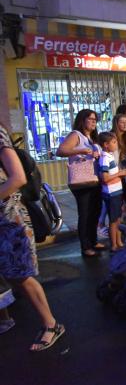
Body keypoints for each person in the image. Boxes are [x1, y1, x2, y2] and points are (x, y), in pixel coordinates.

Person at [1, 123, 65, 351]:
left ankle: (51, 324)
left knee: (21, 274)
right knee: (12, 274)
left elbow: (17, 178)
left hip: (9, 219)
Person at [57, 109, 104, 257]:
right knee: (85, 214)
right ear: (82, 120)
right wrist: (83, 150)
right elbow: (61, 150)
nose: (93, 122)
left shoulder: (92, 137)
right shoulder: (76, 135)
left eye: (95, 120)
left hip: (94, 179)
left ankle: (93, 240)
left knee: (95, 211)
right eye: (90, 119)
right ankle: (86, 247)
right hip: (82, 181)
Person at [98, 132, 126, 252]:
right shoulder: (104, 158)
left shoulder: (109, 156)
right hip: (111, 193)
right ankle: (114, 244)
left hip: (116, 191)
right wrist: (120, 173)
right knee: (113, 220)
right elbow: (105, 178)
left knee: (117, 218)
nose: (116, 144)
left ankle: (119, 241)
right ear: (106, 144)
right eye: (114, 142)